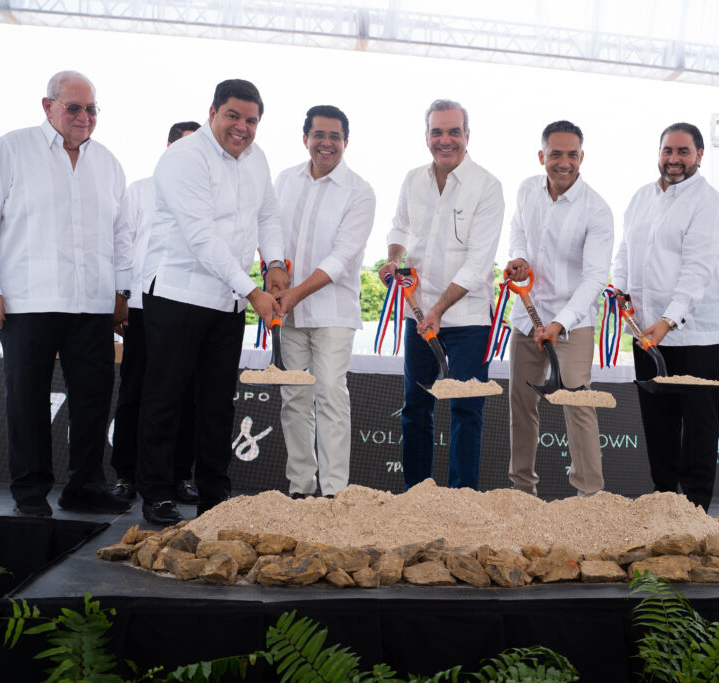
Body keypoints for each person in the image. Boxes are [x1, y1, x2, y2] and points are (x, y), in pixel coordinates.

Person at [0, 70, 131, 518]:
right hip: (26, 302)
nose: (84, 117)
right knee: (27, 399)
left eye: (91, 109)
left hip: (92, 304)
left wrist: (121, 293)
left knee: (93, 399)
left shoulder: (108, 163)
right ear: (48, 106)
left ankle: (85, 487)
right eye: (74, 107)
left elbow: (122, 236)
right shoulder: (11, 150)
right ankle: (30, 492)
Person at [137, 79, 284, 525]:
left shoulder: (257, 158)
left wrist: (275, 263)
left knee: (219, 404)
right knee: (165, 399)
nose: (242, 127)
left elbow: (268, 215)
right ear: (212, 112)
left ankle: (214, 496)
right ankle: (158, 494)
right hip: (180, 294)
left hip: (228, 302)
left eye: (251, 120)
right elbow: (201, 237)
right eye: (233, 116)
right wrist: (254, 291)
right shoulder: (184, 157)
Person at [380, 99, 505, 491]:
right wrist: (393, 260)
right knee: (416, 406)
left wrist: (436, 310)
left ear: (467, 135)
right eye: (437, 132)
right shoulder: (412, 179)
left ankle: (460, 499)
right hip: (418, 313)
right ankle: (417, 495)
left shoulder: (488, 186)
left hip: (468, 318)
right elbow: (400, 228)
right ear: (427, 136)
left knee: (466, 409)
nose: (445, 140)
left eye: (453, 132)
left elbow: (478, 263)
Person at [612, 122, 719, 512]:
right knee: (658, 419)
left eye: (683, 151)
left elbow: (697, 270)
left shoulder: (709, 203)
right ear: (659, 153)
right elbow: (625, 250)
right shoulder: (641, 197)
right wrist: (619, 290)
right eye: (668, 150)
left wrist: (669, 320)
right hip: (647, 330)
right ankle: (663, 500)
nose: (674, 159)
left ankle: (695, 507)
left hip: (698, 333)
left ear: (699, 155)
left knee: (698, 422)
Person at [504, 120, 613, 498]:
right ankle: (522, 492)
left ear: (581, 157)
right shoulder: (526, 190)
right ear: (542, 156)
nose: (563, 162)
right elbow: (518, 231)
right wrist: (519, 257)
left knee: (577, 403)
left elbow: (595, 278)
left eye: (571, 155)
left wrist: (559, 323)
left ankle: (589, 497)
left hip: (573, 323)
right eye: (555, 154)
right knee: (521, 404)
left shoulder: (597, 210)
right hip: (526, 318)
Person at [273, 105, 376, 498]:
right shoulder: (285, 180)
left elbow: (342, 257)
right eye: (319, 134)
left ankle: (334, 493)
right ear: (306, 139)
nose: (326, 143)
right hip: (289, 313)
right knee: (294, 398)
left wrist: (294, 293)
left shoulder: (360, 191)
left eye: (335, 136)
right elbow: (271, 234)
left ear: (346, 142)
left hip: (333, 312)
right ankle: (301, 488)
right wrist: (274, 270)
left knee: (330, 393)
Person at [109, 121, 201, 504]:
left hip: (191, 308)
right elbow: (122, 244)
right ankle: (126, 474)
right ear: (168, 148)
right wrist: (122, 297)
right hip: (143, 306)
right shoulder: (140, 190)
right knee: (135, 391)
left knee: (186, 395)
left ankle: (179, 476)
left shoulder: (209, 195)